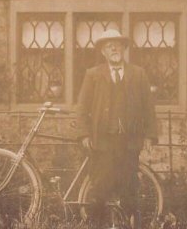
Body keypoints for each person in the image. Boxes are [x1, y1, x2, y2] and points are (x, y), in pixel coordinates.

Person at [75, 28, 158, 229]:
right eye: (108, 45)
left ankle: (130, 226)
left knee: (130, 188)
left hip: (129, 142)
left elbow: (149, 108)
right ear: (103, 52)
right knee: (101, 188)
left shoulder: (138, 74)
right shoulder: (93, 75)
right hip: (102, 142)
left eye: (117, 44)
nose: (114, 48)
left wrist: (149, 136)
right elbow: (82, 108)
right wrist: (84, 134)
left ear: (123, 49)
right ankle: (98, 225)